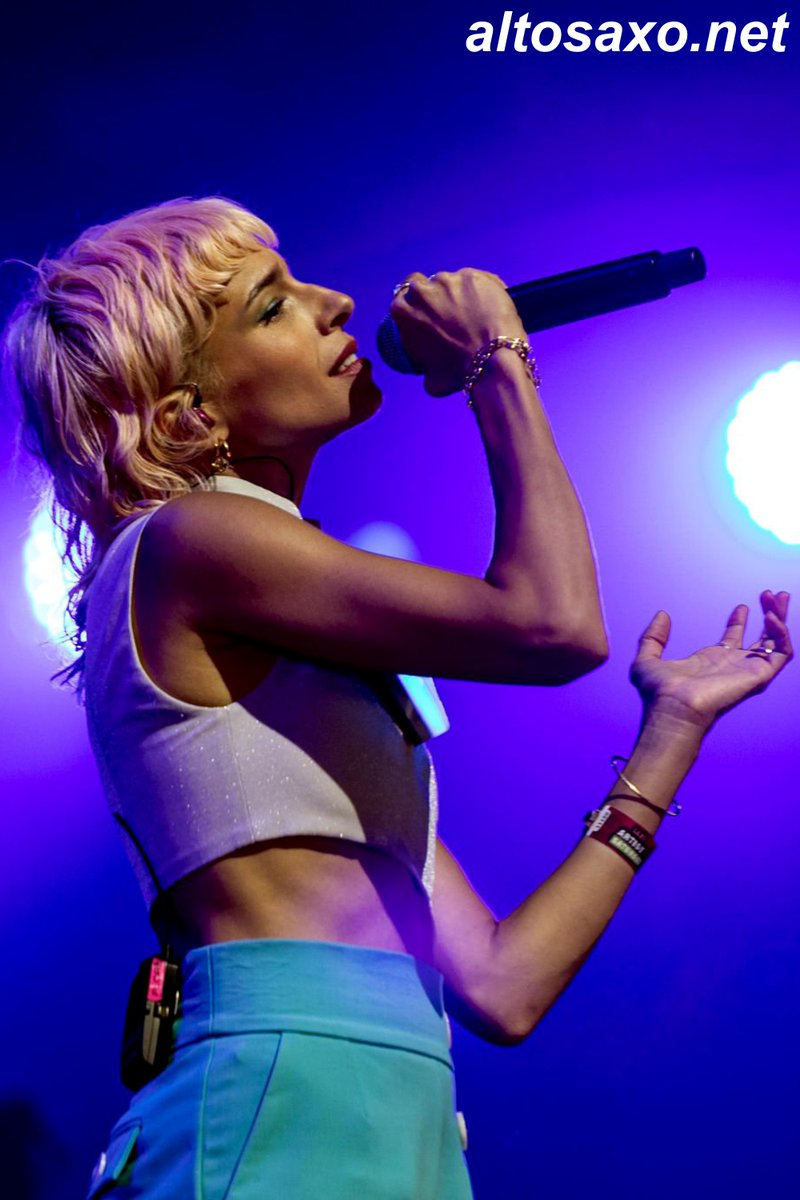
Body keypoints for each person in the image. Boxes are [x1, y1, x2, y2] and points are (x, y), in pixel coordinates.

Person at [3, 196, 791, 1200]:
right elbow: (551, 624)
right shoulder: (189, 537)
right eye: (273, 305)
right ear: (188, 415)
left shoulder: (298, 636)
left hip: (387, 1109)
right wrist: (493, 362)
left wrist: (667, 736)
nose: (335, 305)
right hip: (275, 1103)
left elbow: (503, 987)